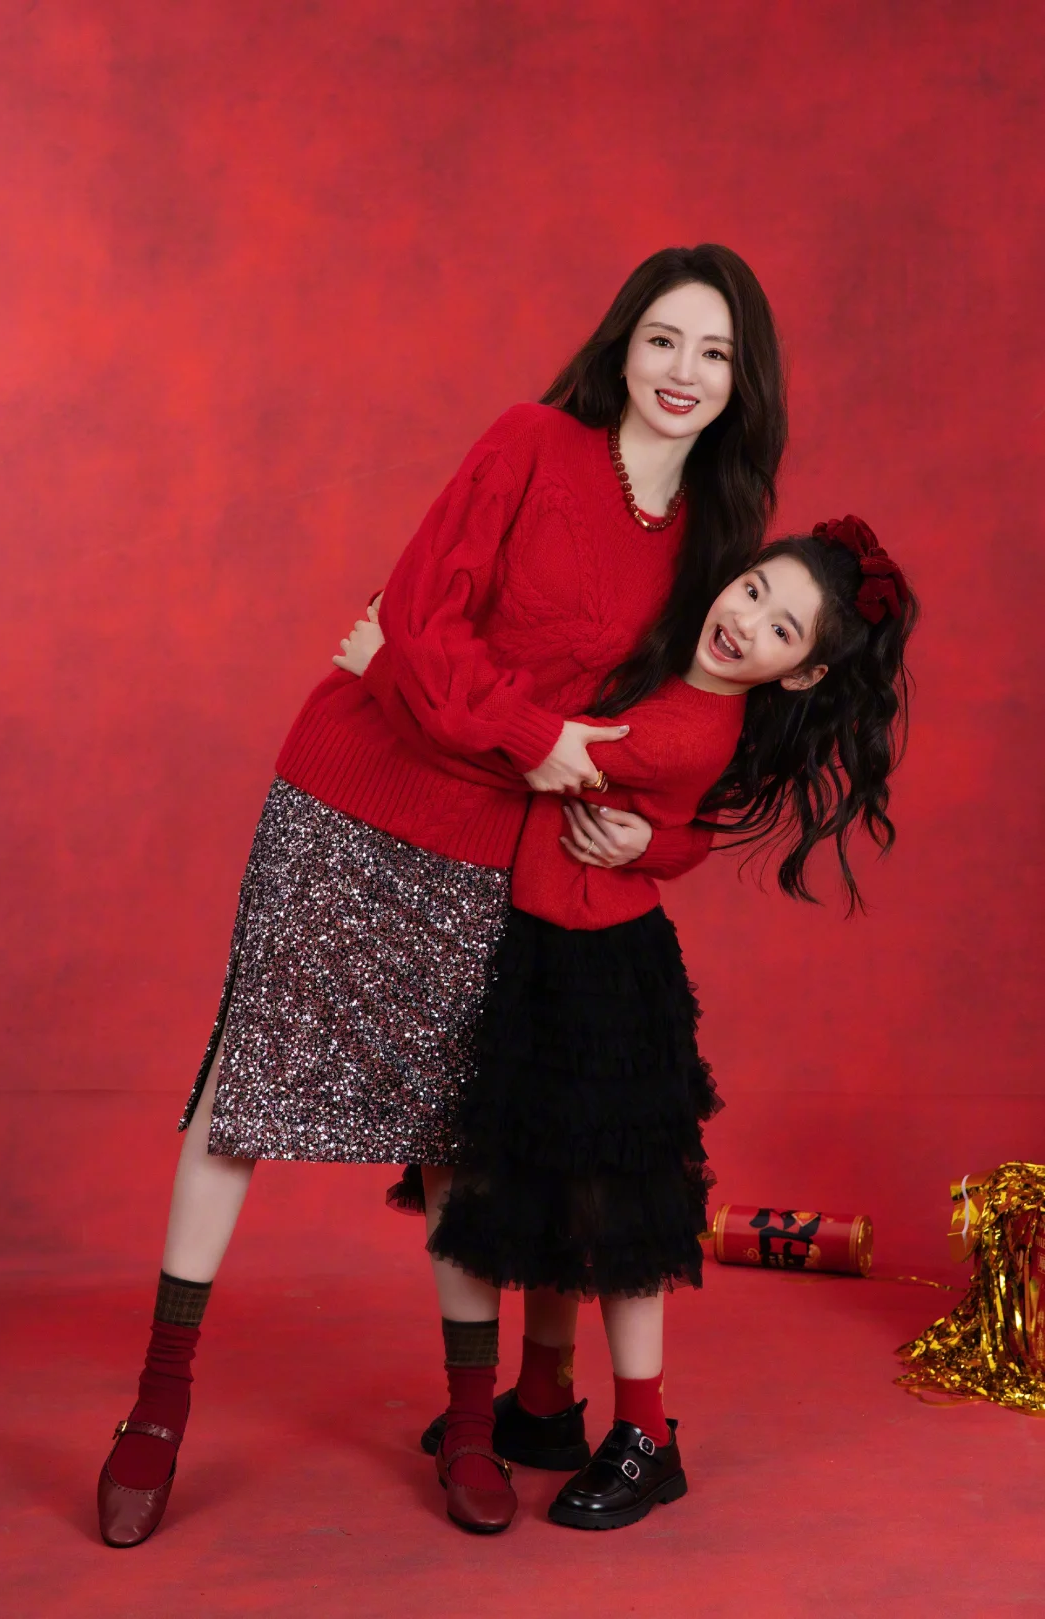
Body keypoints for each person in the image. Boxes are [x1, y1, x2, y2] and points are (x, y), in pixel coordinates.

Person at [95, 244, 787, 1549]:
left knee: (455, 1124)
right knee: (246, 1084)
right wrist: (542, 740)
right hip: (350, 793)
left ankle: (475, 1420)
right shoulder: (531, 442)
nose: (684, 372)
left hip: (491, 848)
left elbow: (703, 751)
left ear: (744, 383)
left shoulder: (718, 550)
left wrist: (656, 840)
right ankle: (159, 1399)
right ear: (622, 343)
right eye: (664, 339)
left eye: (715, 353)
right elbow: (417, 625)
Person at [349, 517, 917, 1532]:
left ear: (800, 673)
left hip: (600, 977)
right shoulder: (661, 660)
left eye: (782, 629)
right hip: (541, 948)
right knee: (542, 1178)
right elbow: (658, 805)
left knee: (611, 1205)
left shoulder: (687, 725)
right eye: (754, 590)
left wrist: (389, 671)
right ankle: (542, 1401)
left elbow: (519, 756)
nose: (747, 622)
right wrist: (661, 839)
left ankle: (649, 1435)